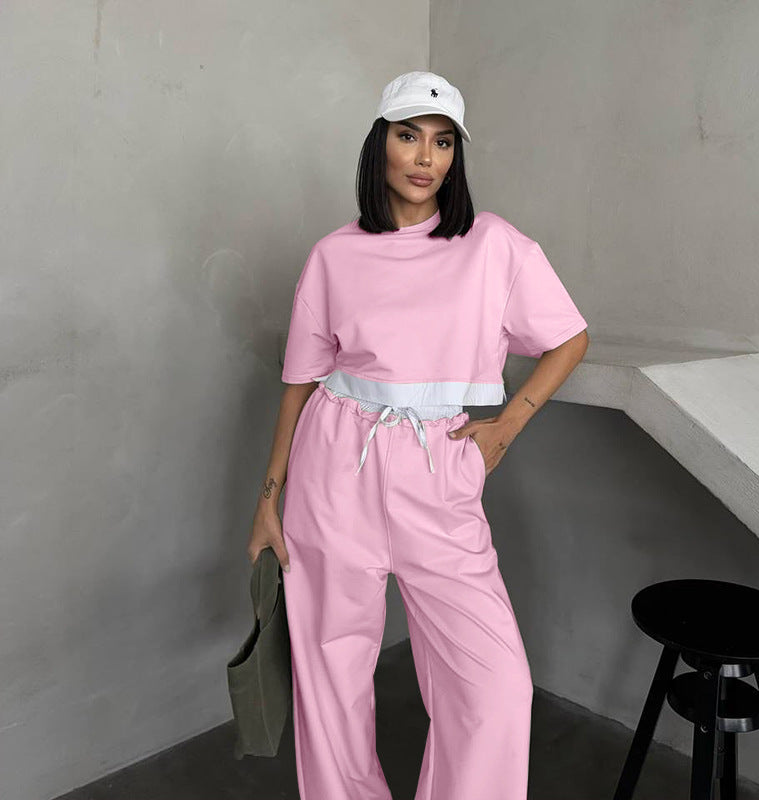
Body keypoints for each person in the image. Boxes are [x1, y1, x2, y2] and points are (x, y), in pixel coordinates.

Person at [248, 70, 589, 800]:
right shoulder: (334, 254)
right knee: (330, 670)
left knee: (495, 686)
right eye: (408, 136)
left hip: (439, 470)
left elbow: (569, 338)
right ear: (381, 144)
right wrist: (269, 497)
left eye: (442, 142)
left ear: (456, 156)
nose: (425, 157)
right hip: (334, 466)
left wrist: (508, 426)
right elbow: (301, 381)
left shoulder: (492, 244)